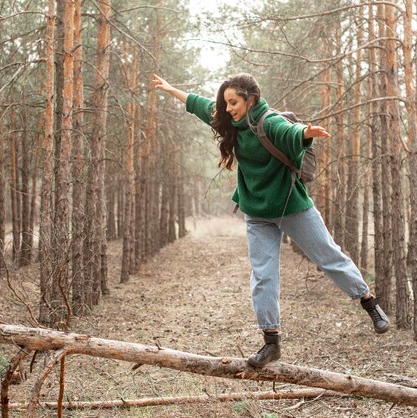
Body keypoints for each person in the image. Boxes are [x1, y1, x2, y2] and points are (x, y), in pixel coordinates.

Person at [153, 73, 389, 368]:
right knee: (263, 276)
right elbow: (200, 105)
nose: (228, 108)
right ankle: (271, 342)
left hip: (293, 207)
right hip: (258, 213)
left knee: (329, 256)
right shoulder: (232, 124)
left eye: (234, 102)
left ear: (250, 99)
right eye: (226, 103)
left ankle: (369, 302)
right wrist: (170, 87)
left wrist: (305, 134)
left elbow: (288, 133)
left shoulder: (267, 121)